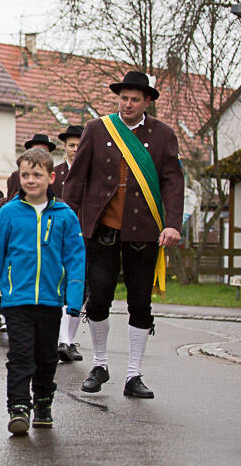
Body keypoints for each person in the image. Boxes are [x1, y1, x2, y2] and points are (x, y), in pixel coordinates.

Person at [63, 71, 184, 399]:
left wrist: (173, 223)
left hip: (144, 230)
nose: (127, 104)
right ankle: (99, 364)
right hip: (101, 228)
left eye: (134, 99)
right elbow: (76, 180)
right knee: (98, 297)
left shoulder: (163, 135)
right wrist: (64, 221)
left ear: (147, 102)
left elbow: (173, 181)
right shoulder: (97, 129)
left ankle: (134, 374)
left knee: (140, 303)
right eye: (123, 98)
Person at [0, 148, 86, 434]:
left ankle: (43, 402)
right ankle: (18, 407)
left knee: (47, 357)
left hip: (50, 300)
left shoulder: (65, 216)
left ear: (51, 177)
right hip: (16, 299)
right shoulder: (8, 213)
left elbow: (75, 259)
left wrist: (74, 299)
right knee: (20, 355)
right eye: (25, 174)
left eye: (37, 174)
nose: (30, 180)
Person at [54, 125, 84, 362]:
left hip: (83, 237)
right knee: (58, 287)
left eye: (79, 145)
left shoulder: (92, 173)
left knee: (79, 289)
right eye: (71, 145)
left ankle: (69, 340)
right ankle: (62, 339)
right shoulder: (55, 174)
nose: (75, 149)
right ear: (64, 147)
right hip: (56, 237)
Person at [6, 134, 56, 201]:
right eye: (35, 151)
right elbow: (10, 199)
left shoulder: (56, 173)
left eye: (43, 151)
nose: (39, 154)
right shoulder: (16, 176)